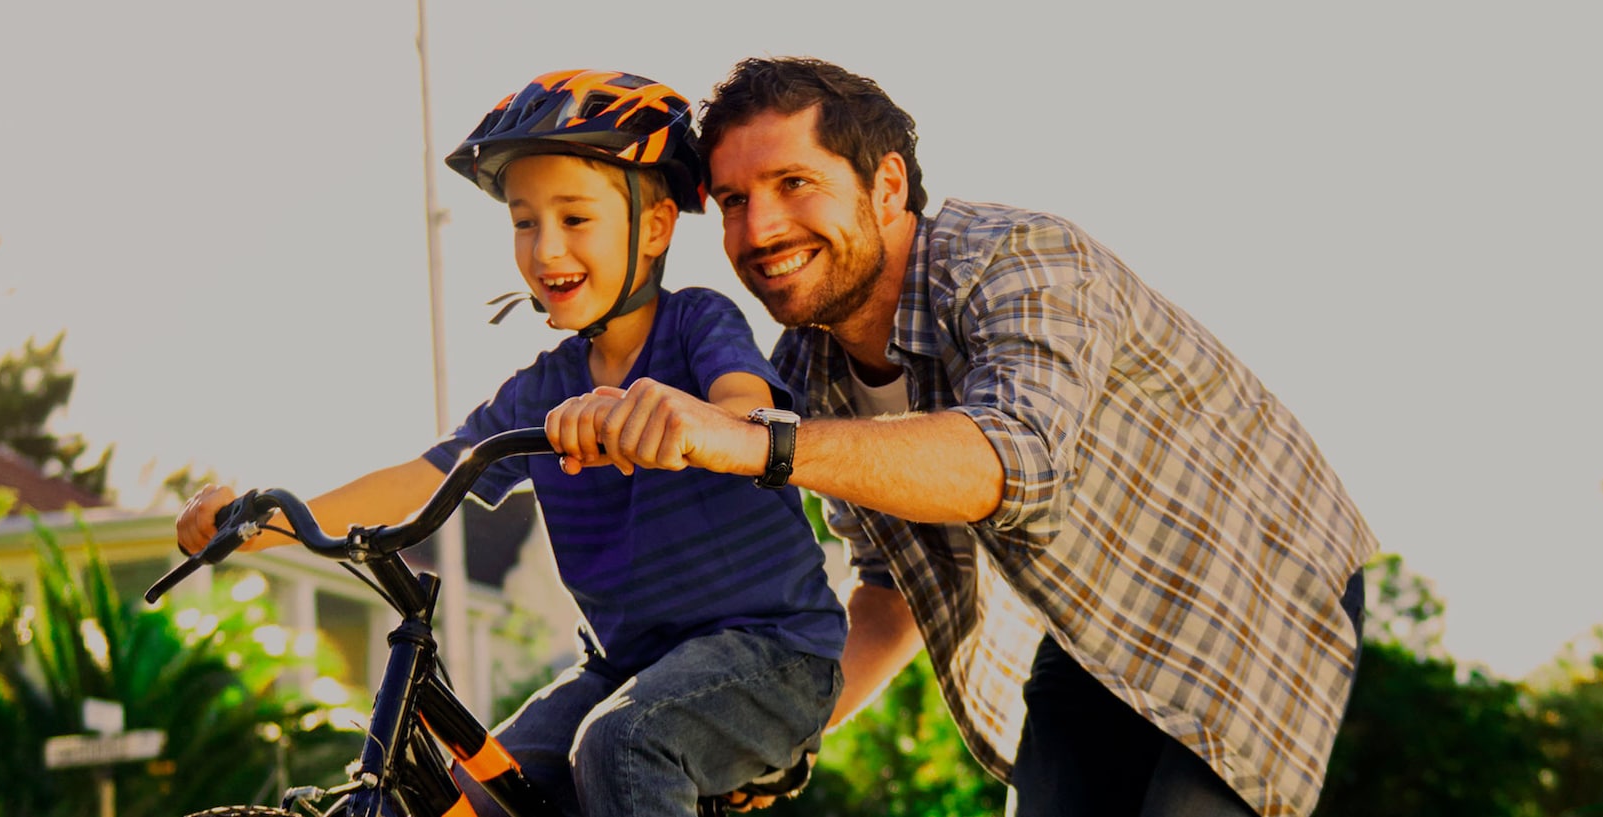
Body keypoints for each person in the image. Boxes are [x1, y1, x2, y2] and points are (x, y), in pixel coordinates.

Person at [547, 57, 1378, 817]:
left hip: (1253, 577)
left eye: (794, 182)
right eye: (734, 201)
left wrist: (760, 440)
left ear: (886, 186)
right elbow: (891, 589)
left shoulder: (1019, 260)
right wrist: (768, 732)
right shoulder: (809, 367)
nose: (760, 229)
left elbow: (1013, 458)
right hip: (1096, 624)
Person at [175, 69, 843, 817]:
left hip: (773, 652)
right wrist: (259, 526)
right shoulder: (543, 389)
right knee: (468, 793)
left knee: (621, 743)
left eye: (575, 218)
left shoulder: (697, 324)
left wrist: (689, 424)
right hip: (625, 665)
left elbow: (746, 411)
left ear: (655, 227)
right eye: (525, 223)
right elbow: (428, 475)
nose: (546, 247)